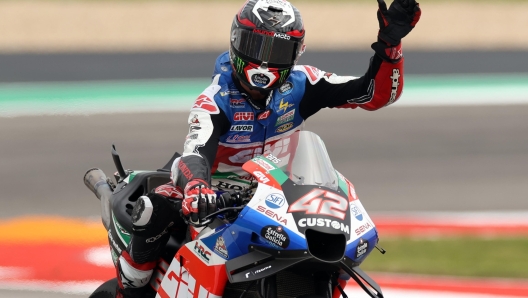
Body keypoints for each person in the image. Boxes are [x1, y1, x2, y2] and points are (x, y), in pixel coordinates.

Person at [113, 0, 421, 297]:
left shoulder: (303, 84)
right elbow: (195, 152)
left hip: (276, 195)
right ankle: (129, 290)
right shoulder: (214, 99)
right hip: (213, 194)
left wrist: (390, 46)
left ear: (295, 54)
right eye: (255, 47)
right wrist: (196, 186)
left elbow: (375, 94)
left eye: (277, 51)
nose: (263, 62)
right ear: (236, 42)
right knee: (154, 209)